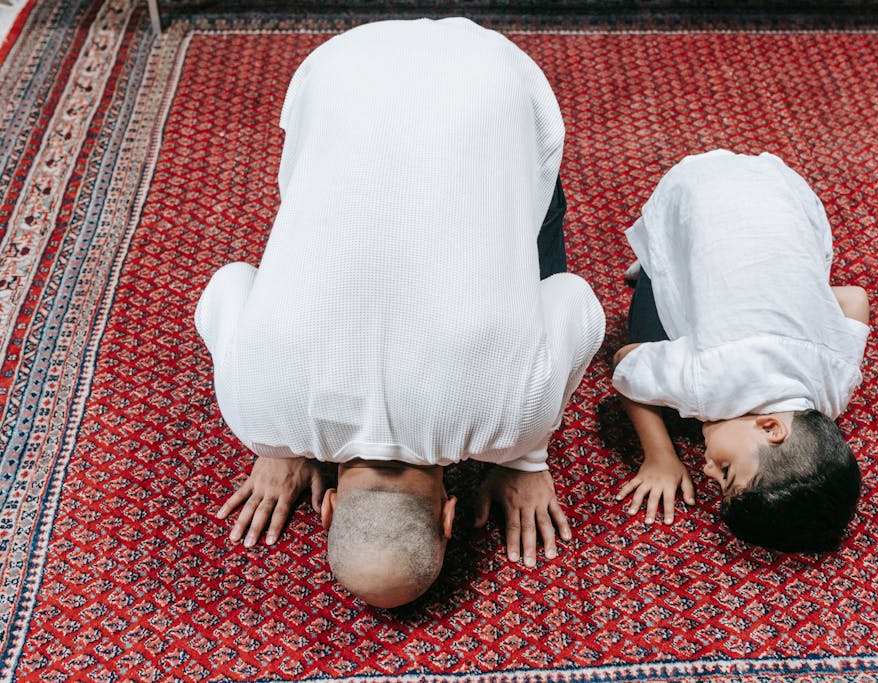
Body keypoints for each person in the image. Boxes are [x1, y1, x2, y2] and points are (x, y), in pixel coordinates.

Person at [194, 18, 605, 607]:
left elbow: (576, 299)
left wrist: (525, 456)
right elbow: (229, 282)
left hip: (492, 76)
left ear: (447, 516)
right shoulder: (254, 408)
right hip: (338, 70)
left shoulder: (512, 420)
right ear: (331, 506)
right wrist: (275, 441)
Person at [611, 149, 870, 554]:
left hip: (785, 186)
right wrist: (660, 455)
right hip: (686, 193)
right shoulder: (707, 385)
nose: (706, 469)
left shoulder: (834, 387)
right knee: (650, 341)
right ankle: (653, 268)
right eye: (727, 473)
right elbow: (625, 363)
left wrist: (805, 302)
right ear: (770, 428)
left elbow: (855, 298)